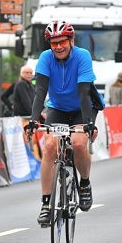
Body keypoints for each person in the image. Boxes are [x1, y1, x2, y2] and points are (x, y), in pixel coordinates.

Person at [24, 21, 105, 226]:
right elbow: (40, 91)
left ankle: (84, 184)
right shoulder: (45, 58)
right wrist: (34, 119)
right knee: (50, 146)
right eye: (53, 43)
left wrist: (88, 123)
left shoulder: (82, 56)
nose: (58, 47)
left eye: (62, 42)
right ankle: (45, 204)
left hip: (82, 107)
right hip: (58, 108)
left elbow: (84, 92)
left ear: (71, 40)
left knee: (78, 143)